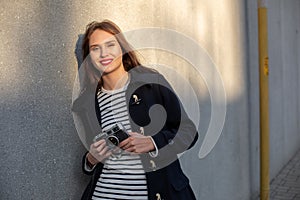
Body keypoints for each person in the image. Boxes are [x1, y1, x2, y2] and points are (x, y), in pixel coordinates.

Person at [72, 19, 198, 200]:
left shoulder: (151, 83)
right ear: (88, 57)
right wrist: (91, 159)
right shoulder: (88, 103)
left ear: (122, 48)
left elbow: (188, 132)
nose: (104, 53)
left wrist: (152, 142)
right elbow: (95, 152)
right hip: (103, 194)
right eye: (95, 48)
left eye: (110, 45)